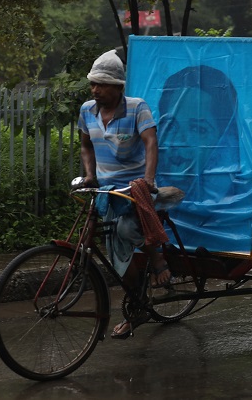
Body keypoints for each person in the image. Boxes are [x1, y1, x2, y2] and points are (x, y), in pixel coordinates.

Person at [76, 49, 170, 339]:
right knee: (111, 248)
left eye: (101, 85)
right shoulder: (86, 111)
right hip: (105, 191)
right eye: (92, 84)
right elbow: (85, 145)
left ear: (118, 87)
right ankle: (139, 299)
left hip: (134, 190)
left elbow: (151, 142)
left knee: (127, 229)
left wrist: (149, 178)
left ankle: (157, 260)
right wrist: (90, 175)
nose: (95, 90)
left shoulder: (137, 107)